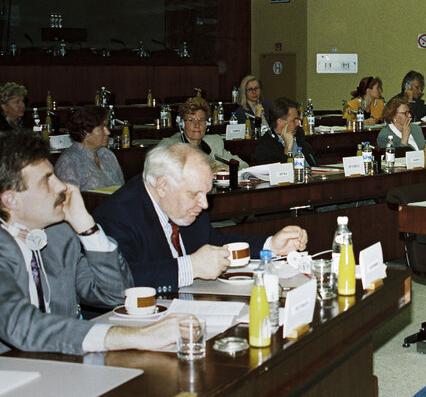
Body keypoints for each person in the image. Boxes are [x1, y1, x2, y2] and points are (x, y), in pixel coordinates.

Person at [0, 129, 178, 355]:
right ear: (10, 199)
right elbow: (20, 325)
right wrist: (130, 337)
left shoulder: (59, 235)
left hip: (64, 364)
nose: (62, 186)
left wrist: (88, 228)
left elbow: (114, 295)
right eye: (47, 180)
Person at [93, 144, 307, 292]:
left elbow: (214, 243)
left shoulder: (183, 206)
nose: (204, 205)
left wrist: (270, 246)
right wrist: (191, 267)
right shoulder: (117, 216)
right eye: (194, 194)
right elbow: (117, 281)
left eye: (206, 194)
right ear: (163, 185)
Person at [159, 97, 248, 170]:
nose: (197, 125)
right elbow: (172, 175)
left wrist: (230, 169)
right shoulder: (170, 146)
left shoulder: (215, 142)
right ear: (182, 124)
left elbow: (243, 165)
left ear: (207, 124)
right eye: (191, 120)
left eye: (201, 120)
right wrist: (210, 173)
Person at [54, 106, 125, 191]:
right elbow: (69, 198)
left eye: (106, 127)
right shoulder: (69, 161)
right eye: (101, 129)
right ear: (85, 134)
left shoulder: (108, 155)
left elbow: (122, 189)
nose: (108, 132)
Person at [253, 97, 318, 166]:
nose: (298, 123)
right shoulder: (265, 146)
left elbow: (313, 163)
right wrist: (288, 148)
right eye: (294, 120)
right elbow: (280, 173)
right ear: (280, 122)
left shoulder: (299, 135)